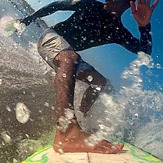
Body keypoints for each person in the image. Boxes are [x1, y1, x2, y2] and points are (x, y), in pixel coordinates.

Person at [19, 0, 158, 154]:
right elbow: (55, 5)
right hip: (51, 39)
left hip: (68, 54)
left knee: (102, 84)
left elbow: (144, 52)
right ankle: (66, 132)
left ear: (127, 5)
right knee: (70, 58)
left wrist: (144, 26)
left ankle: (82, 119)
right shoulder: (91, 5)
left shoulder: (116, 30)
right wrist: (26, 21)